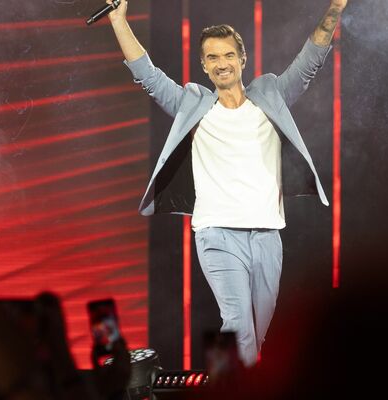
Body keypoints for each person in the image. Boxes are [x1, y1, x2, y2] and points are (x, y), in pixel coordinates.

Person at [105, 0, 347, 367]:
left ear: (242, 60)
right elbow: (147, 75)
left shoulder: (271, 95)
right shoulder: (192, 103)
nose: (221, 63)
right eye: (212, 57)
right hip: (216, 234)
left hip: (267, 234)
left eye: (228, 55)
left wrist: (335, 7)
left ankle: (225, 383)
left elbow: (312, 55)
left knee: (258, 333)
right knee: (237, 328)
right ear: (204, 65)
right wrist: (118, 20)